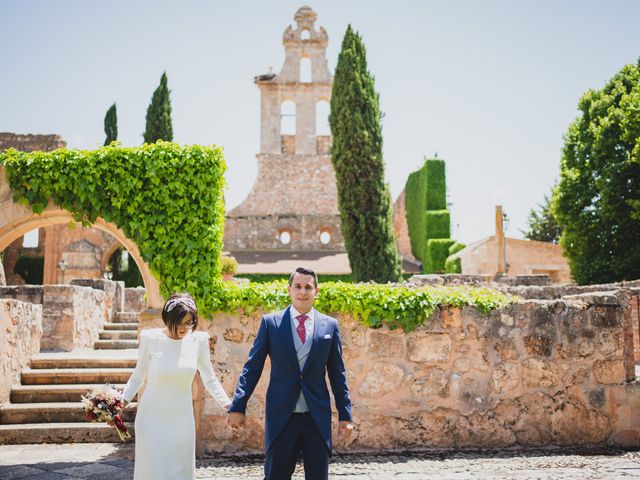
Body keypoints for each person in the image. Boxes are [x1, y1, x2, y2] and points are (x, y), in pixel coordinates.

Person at [227, 266, 353, 480]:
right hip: (281, 417)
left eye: (308, 287)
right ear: (289, 290)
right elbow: (252, 368)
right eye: (298, 286)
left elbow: (337, 373)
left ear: (316, 291)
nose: (303, 291)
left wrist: (345, 414)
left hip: (316, 417)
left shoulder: (329, 326)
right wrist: (238, 405)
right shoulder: (271, 323)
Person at [121, 293, 231, 480]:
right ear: (168, 318)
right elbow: (138, 377)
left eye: (189, 322)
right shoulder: (150, 339)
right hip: (151, 419)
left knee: (179, 472)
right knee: (152, 472)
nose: (184, 328)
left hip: (182, 420)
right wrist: (119, 402)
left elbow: (210, 378)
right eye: (179, 322)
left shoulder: (198, 341)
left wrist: (228, 405)